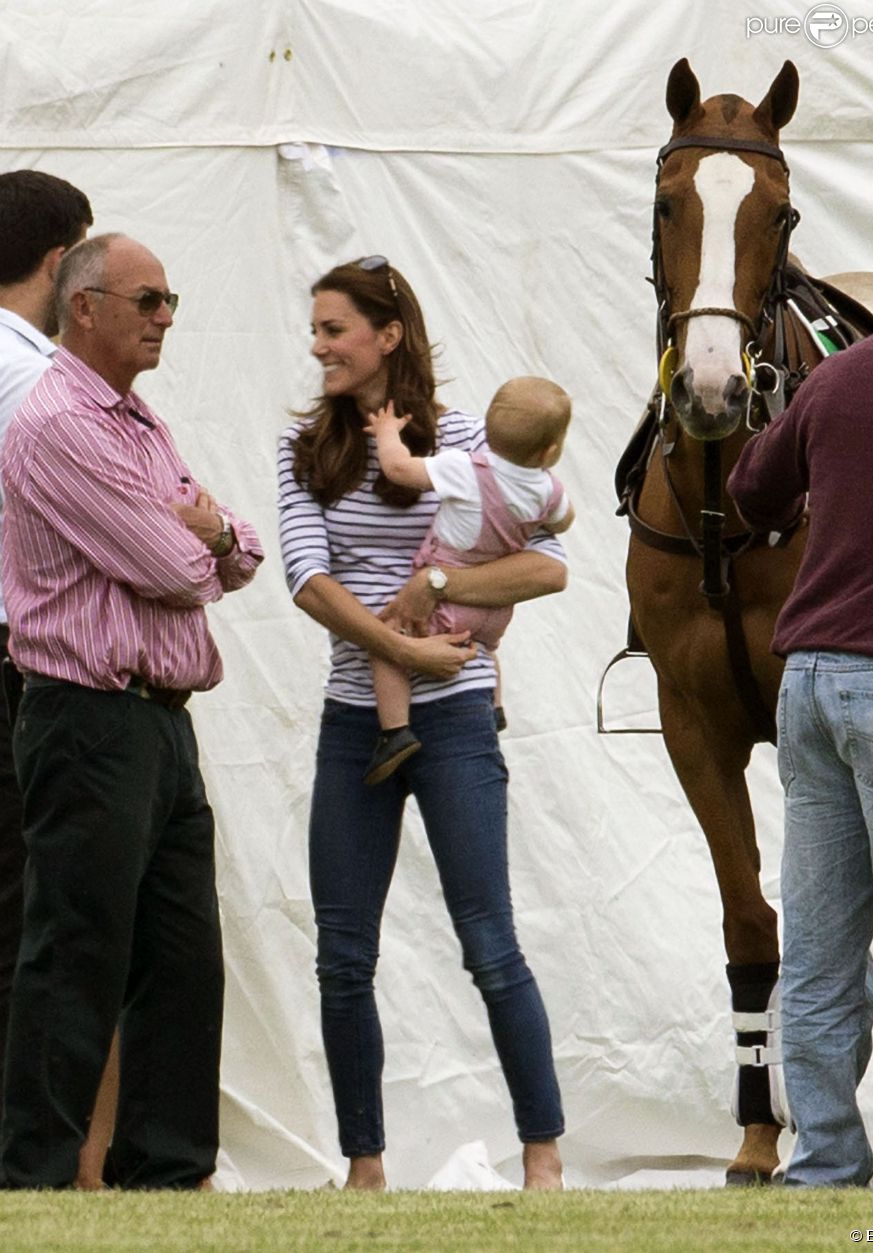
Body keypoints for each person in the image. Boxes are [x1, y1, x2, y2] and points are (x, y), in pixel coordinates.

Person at [278, 256, 566, 1190]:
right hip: (352, 723)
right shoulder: (303, 449)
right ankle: (364, 1167)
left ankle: (545, 1159)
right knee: (342, 955)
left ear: (387, 336)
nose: (317, 345)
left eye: (334, 329)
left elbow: (547, 566)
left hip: (454, 726)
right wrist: (401, 648)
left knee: (491, 943)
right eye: (315, 330)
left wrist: (436, 586)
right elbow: (306, 580)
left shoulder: (471, 438)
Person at [0, 232, 264, 1189]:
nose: (164, 319)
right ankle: (28, 1172)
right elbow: (180, 562)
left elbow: (233, 547)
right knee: (77, 948)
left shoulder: (136, 422)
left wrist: (211, 533)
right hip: (87, 713)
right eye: (148, 301)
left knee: (182, 950)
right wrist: (204, 535)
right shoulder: (62, 422)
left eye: (170, 302)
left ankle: (168, 1165)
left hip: (159, 716)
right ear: (85, 308)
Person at [727, 209, 873, 1189]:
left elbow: (748, 491)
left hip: (808, 681)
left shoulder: (840, 374)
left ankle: (819, 1161)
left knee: (817, 946)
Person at [0, 170, 121, 1191]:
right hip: (25, 657)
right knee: (42, 913)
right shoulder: (36, 377)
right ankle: (47, 1161)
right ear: (56, 265)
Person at [360, 376, 575, 784]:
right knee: (483, 649)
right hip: (494, 607)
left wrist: (387, 433)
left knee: (386, 638)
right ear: (550, 451)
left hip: (448, 600)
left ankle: (394, 732)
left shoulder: (465, 469)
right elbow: (564, 521)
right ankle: (494, 707)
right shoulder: (549, 490)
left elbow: (398, 469)